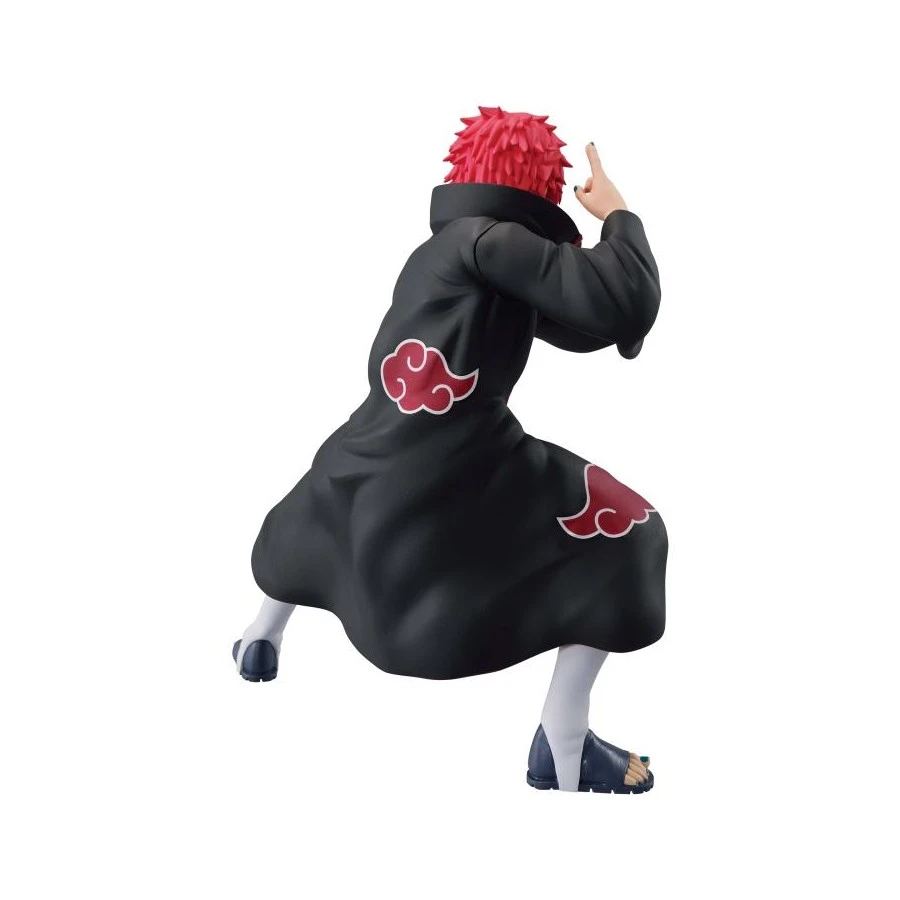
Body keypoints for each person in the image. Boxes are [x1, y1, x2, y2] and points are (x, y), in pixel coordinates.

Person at [233, 106, 666, 793]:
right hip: (455, 463)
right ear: (541, 182)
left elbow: (582, 318)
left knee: (319, 505)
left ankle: (260, 636)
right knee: (630, 532)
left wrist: (610, 305)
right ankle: (565, 746)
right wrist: (617, 217)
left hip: (377, 444)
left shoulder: (458, 247)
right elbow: (621, 303)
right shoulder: (495, 244)